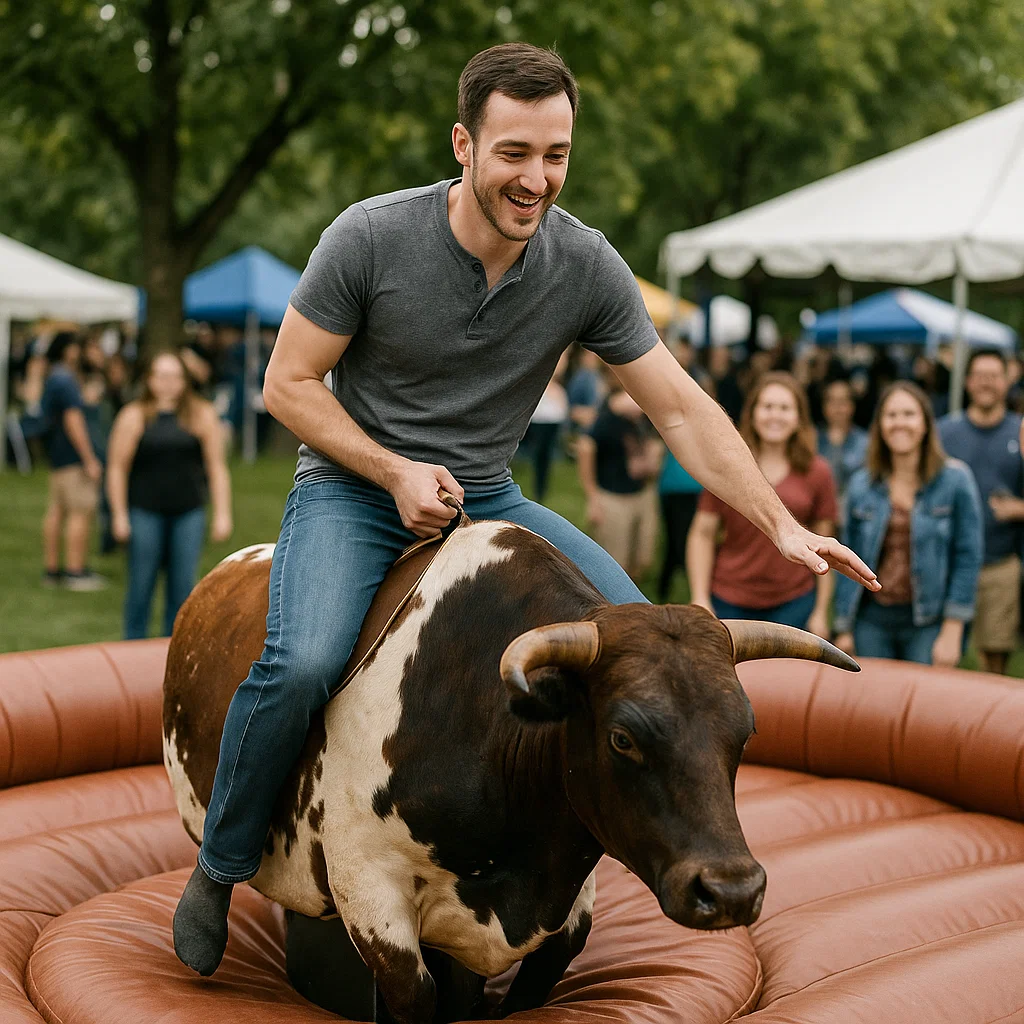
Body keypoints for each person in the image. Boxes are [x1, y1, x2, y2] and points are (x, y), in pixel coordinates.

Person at [171, 43, 878, 977]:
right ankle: (219, 866)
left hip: (489, 493)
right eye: (514, 152)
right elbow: (287, 384)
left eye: (556, 155)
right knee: (300, 662)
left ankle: (561, 857)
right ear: (463, 143)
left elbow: (675, 404)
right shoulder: (370, 236)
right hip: (355, 486)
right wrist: (391, 471)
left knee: (651, 658)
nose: (536, 178)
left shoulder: (584, 264)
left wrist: (779, 523)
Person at [835, 382, 982, 665]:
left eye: (909, 414)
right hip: (871, 619)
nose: (900, 422)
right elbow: (845, 560)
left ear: (926, 423)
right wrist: (844, 627)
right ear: (880, 425)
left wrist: (953, 629)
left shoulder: (955, 480)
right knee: (875, 703)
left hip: (928, 620)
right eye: (891, 415)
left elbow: (968, 557)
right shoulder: (861, 485)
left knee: (927, 704)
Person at [687, 372, 838, 634]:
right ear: (753, 413)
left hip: (794, 601)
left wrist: (821, 611)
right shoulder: (728, 469)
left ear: (799, 417)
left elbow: (827, 547)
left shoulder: (818, 472)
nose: (775, 415)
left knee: (787, 676)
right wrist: (700, 597)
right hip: (730, 598)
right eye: (767, 407)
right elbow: (702, 534)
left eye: (784, 408)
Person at [105, 351, 233, 639]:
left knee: (183, 589)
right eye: (162, 376)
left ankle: (172, 650)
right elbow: (116, 468)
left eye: (175, 376)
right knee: (141, 585)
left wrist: (223, 514)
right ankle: (132, 650)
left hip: (188, 511)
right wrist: (119, 516)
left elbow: (217, 468)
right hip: (144, 510)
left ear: (185, 380)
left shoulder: (201, 414)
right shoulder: (133, 416)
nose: (168, 383)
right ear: (149, 380)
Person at [939, 349, 1024, 674]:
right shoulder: (945, 432)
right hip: (947, 563)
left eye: (994, 376)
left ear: (1008, 380)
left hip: (1000, 563)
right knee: (943, 660)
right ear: (968, 381)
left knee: (994, 662)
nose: (987, 383)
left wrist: (1018, 508)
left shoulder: (1020, 431)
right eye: (980, 376)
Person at [577, 375, 663, 583]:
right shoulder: (605, 421)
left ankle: (631, 591)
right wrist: (593, 498)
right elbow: (584, 448)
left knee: (643, 557)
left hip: (642, 493)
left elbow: (653, 444)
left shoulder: (638, 420)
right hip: (614, 499)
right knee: (615, 563)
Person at [39, 331, 106, 590]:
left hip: (56, 455)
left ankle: (53, 570)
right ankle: (75, 572)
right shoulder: (66, 379)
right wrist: (88, 457)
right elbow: (73, 420)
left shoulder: (53, 376)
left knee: (57, 510)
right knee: (80, 511)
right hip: (72, 457)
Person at [520, 350, 569, 502]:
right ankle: (538, 489)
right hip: (540, 424)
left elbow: (563, 409)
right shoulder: (539, 384)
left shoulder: (557, 389)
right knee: (540, 456)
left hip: (552, 424)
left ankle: (541, 489)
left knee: (545, 457)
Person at [816, 378, 868, 517]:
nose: (837, 407)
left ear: (852, 405)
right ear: (824, 406)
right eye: (832, 401)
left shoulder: (866, 442)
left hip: (856, 512)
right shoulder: (811, 441)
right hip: (818, 514)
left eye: (843, 402)